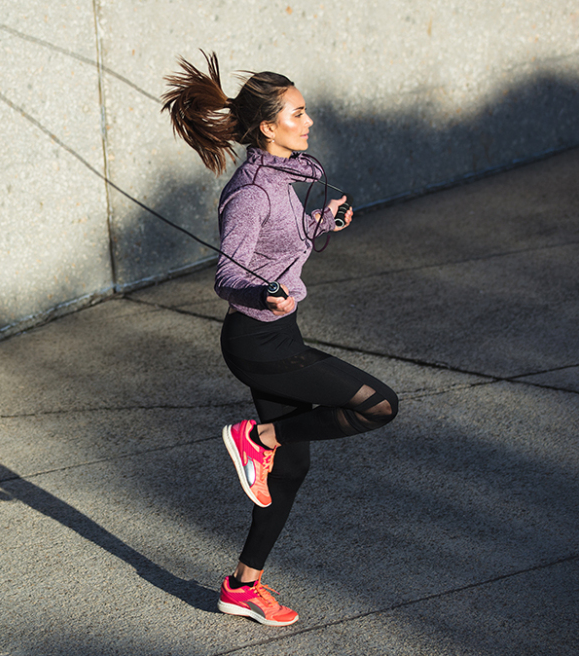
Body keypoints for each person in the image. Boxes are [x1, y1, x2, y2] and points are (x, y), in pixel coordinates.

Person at [163, 52, 399, 627]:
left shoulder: (285, 178)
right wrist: (262, 291)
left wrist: (322, 224)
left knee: (291, 473)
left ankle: (243, 586)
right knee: (379, 404)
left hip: (276, 334)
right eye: (298, 112)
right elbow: (229, 273)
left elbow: (280, 241)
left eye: (305, 109)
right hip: (259, 344)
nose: (309, 120)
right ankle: (257, 436)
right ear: (268, 127)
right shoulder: (250, 193)